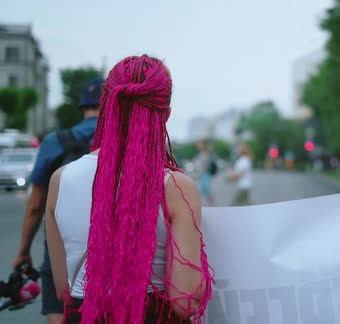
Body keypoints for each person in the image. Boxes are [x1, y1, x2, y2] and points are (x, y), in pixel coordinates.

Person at [44, 55, 213, 323]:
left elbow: (65, 290)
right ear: (165, 114)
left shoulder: (60, 180)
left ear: (106, 105)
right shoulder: (177, 187)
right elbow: (185, 301)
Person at [13, 78, 103, 324]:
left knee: (61, 311)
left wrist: (23, 252)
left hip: (59, 249)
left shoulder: (55, 141)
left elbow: (35, 206)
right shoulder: (121, 143)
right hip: (110, 249)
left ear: (83, 106)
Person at [194, 139, 217, 206]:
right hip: (203, 176)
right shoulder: (201, 153)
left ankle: (212, 207)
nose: (198, 146)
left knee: (201, 192)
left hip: (205, 176)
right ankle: (212, 206)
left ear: (203, 145)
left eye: (199, 144)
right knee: (207, 193)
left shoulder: (205, 154)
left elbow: (203, 166)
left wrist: (197, 175)